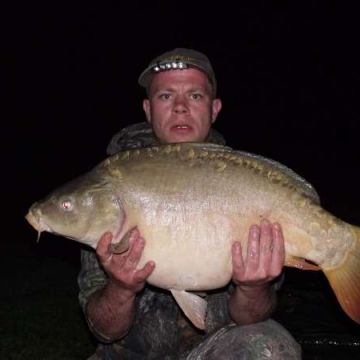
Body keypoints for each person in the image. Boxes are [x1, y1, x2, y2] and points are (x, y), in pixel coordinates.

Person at [78, 48, 302, 359]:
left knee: (270, 348)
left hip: (213, 350)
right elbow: (105, 328)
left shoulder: (245, 183)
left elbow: (251, 316)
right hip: (127, 355)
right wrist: (120, 287)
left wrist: (253, 288)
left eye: (195, 96)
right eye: (166, 96)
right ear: (148, 108)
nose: (181, 108)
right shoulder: (113, 188)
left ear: (214, 109)